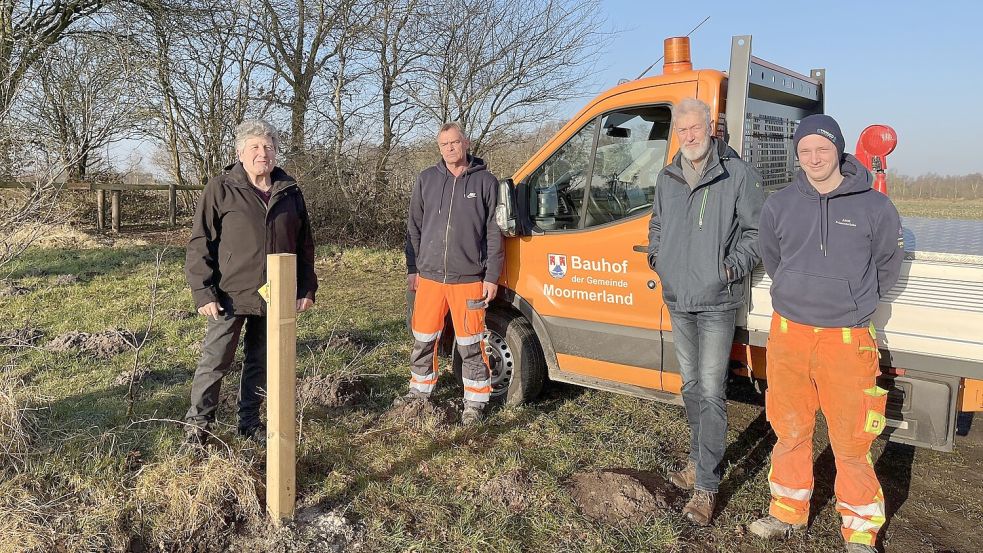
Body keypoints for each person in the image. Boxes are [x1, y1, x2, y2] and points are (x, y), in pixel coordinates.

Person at [750, 114, 904, 552]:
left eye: (822, 148)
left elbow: (886, 264)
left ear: (838, 150)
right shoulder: (779, 204)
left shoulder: (874, 206)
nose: (814, 158)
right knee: (790, 428)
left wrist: (852, 300)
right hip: (789, 334)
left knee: (852, 440)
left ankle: (859, 532)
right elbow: (773, 257)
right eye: (805, 151)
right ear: (797, 156)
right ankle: (787, 511)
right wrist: (799, 293)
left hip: (846, 339)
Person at [647, 97, 765, 525]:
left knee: (712, 392)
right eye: (682, 131)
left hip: (717, 301)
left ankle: (707, 487)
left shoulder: (737, 174)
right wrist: (658, 259)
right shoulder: (668, 176)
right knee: (692, 388)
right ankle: (700, 461)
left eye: (695, 129)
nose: (689, 137)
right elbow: (657, 224)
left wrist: (729, 267)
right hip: (678, 298)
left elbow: (757, 232)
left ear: (710, 127)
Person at [184, 119, 317, 446]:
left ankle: (249, 423)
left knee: (261, 361)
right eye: (255, 147)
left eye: (268, 147)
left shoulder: (289, 190)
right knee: (215, 362)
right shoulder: (221, 188)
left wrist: (306, 287)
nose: (263, 153)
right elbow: (200, 242)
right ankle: (197, 429)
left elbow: (304, 244)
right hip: (229, 295)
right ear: (240, 153)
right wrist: (204, 292)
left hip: (276, 295)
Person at [399, 122, 503, 425]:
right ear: (439, 147)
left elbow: (494, 233)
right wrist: (413, 268)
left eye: (455, 143)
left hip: (469, 278)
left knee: (471, 342)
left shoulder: (485, 181)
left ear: (466, 143)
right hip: (429, 277)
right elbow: (413, 228)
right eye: (444, 144)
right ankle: (420, 391)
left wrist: (491, 276)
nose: (450, 149)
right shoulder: (427, 179)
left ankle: (475, 401)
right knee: (424, 337)